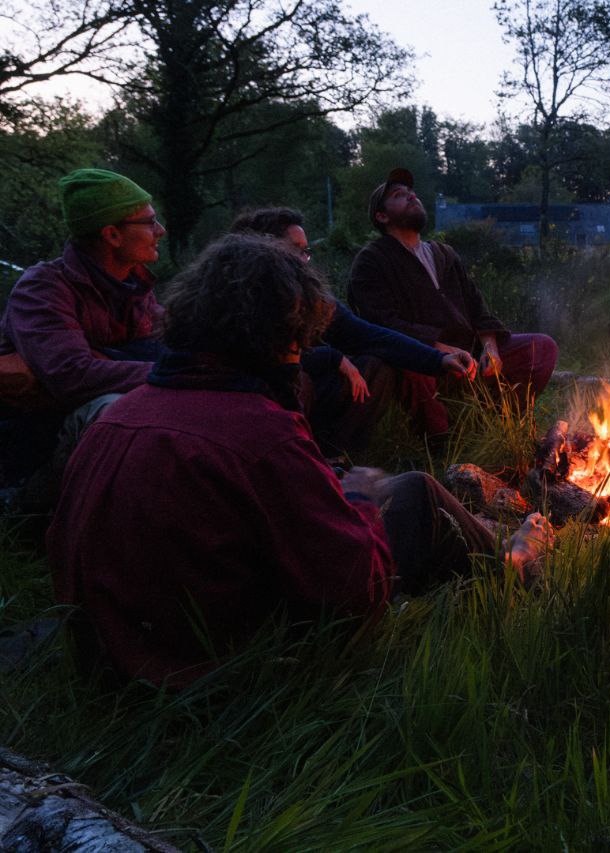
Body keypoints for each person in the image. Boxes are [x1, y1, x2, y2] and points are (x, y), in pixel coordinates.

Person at [47, 234, 550, 689]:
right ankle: (512, 568)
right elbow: (356, 593)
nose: (301, 354)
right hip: (214, 675)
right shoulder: (259, 435)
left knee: (380, 490)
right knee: (414, 494)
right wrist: (359, 499)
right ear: (279, 336)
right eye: (300, 342)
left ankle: (491, 547)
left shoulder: (118, 416)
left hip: (107, 663)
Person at [229, 207, 477, 455]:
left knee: (375, 365)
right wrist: (332, 358)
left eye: (306, 252)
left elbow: (368, 334)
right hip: (246, 400)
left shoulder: (311, 298)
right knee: (297, 378)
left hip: (305, 394)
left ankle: (337, 457)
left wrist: (440, 359)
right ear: (264, 248)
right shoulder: (236, 294)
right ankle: (289, 459)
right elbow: (256, 361)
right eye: (295, 249)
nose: (303, 260)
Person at [348, 168, 558, 436]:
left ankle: (493, 422)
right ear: (382, 215)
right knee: (406, 361)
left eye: (412, 192)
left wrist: (490, 349)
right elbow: (381, 323)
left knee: (542, 348)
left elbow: (476, 303)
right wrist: (437, 348)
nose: (412, 196)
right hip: (424, 356)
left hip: (470, 353)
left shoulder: (443, 253)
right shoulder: (372, 260)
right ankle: (441, 440)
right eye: (399, 195)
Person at [0, 168, 165, 496]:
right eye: (148, 222)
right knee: (118, 407)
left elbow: (163, 342)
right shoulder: (44, 289)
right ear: (112, 235)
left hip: (71, 436)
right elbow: (73, 375)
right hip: (33, 457)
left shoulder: (134, 287)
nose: (159, 230)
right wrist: (175, 372)